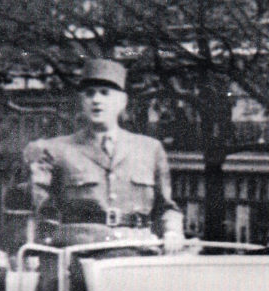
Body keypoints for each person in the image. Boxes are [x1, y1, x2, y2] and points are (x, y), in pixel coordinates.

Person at [23, 58, 185, 248]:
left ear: (122, 102)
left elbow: (166, 208)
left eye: (105, 93)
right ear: (81, 101)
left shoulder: (150, 149)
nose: (97, 100)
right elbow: (44, 211)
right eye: (90, 94)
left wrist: (173, 231)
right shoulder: (56, 150)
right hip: (79, 253)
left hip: (136, 252)